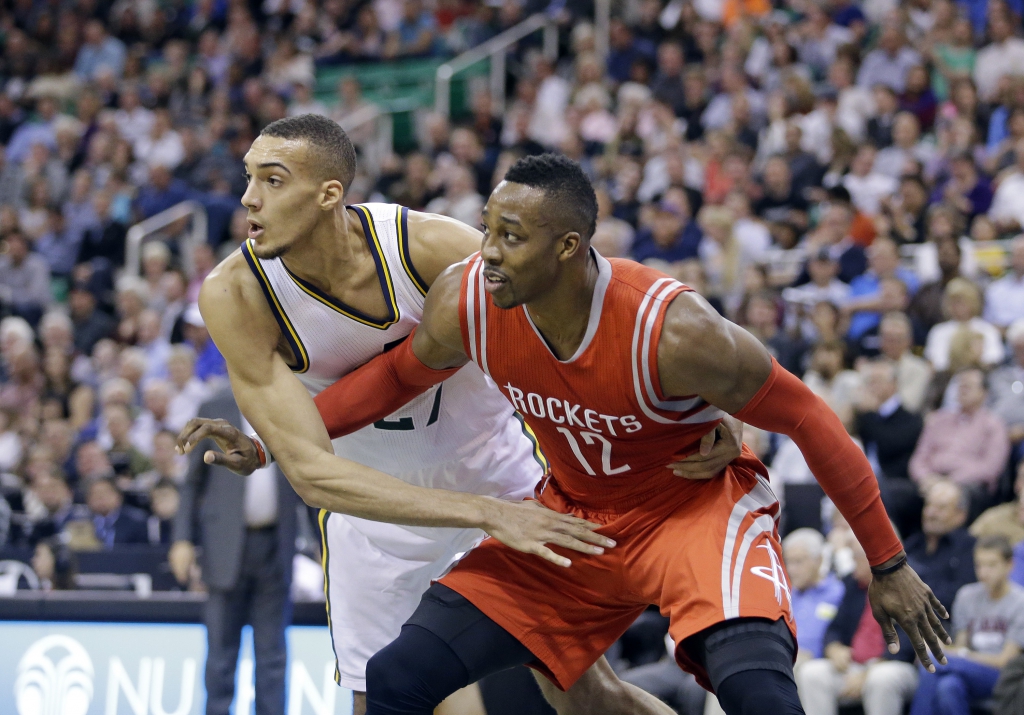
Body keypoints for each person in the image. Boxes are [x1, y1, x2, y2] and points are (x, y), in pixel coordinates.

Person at [300, 154, 949, 714]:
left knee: (758, 695)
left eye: (511, 236)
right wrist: (282, 434)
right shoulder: (470, 297)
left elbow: (809, 416)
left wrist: (887, 562)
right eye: (487, 230)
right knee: (397, 676)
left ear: (568, 247)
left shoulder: (672, 329)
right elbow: (399, 376)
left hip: (689, 512)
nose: (488, 252)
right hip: (574, 516)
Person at [175, 115, 719, 715]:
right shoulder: (235, 294)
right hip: (375, 515)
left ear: (330, 193)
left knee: (585, 692)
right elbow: (312, 474)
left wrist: (695, 410)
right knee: (380, 697)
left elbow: (588, 321)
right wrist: (483, 514)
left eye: (272, 181)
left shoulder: (429, 247)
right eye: (249, 178)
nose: (248, 199)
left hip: (498, 475)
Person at [171, 384, 299, 715]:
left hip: (276, 545)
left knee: (273, 656)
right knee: (220, 657)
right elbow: (191, 483)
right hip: (224, 546)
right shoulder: (215, 407)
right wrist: (182, 539)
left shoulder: (289, 403)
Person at [795, 539, 919, 715]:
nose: (853, 567)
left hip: (894, 665)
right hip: (854, 665)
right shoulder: (853, 584)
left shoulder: (906, 584)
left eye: (856, 559)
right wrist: (834, 647)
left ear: (872, 559)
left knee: (881, 679)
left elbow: (908, 644)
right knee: (812, 673)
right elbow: (834, 627)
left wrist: (869, 671)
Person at [910, 536, 1024, 715]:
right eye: (979, 565)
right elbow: (962, 645)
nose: (984, 572)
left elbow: (1005, 661)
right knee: (949, 687)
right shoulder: (967, 596)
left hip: (1001, 677)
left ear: (1009, 565)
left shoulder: (1020, 602)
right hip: (967, 670)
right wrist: (952, 651)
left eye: (992, 565)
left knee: (933, 660)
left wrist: (959, 655)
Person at [909, 368, 1011, 497]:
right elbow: (919, 458)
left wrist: (950, 482)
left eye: (968, 387)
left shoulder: (994, 425)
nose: (962, 390)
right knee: (889, 493)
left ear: (984, 393)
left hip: (968, 487)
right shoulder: (938, 419)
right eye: (960, 386)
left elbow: (989, 468)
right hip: (929, 483)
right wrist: (926, 478)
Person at [904, 480, 978, 615]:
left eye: (941, 508)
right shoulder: (912, 545)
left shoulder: (968, 548)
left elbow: (960, 597)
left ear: (960, 515)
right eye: (928, 505)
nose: (931, 513)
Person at [784, 528, 845, 662]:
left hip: (820, 662)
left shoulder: (837, 592)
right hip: (786, 657)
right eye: (788, 562)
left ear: (819, 560)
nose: (791, 569)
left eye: (798, 561)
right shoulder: (784, 594)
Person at [85, 476, 150, 548]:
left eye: (105, 493)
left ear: (118, 496)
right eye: (94, 493)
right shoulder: (81, 522)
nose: (100, 497)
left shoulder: (137, 521)